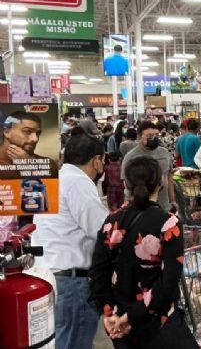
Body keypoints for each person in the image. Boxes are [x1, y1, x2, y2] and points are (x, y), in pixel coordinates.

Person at [89, 157, 198, 349]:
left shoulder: (110, 222)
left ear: (126, 184)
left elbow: (98, 272)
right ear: (161, 183)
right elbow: (168, 283)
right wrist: (132, 316)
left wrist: (109, 313)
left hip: (121, 327)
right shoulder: (169, 224)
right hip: (159, 324)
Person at [31, 134, 108, 349]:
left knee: (63, 341)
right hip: (72, 282)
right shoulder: (78, 182)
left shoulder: (55, 178)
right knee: (75, 342)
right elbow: (101, 230)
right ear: (95, 160)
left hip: (49, 275)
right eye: (103, 159)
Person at [121, 121, 175, 211]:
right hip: (140, 208)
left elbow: (169, 177)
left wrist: (172, 200)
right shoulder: (131, 157)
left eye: (157, 135)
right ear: (139, 137)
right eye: (149, 136)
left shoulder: (164, 153)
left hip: (163, 206)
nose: (154, 138)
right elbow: (126, 184)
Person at [0, 110, 59, 178]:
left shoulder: (48, 164)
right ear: (7, 132)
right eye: (27, 131)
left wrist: (29, 165)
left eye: (38, 133)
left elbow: (49, 187)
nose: (35, 139)